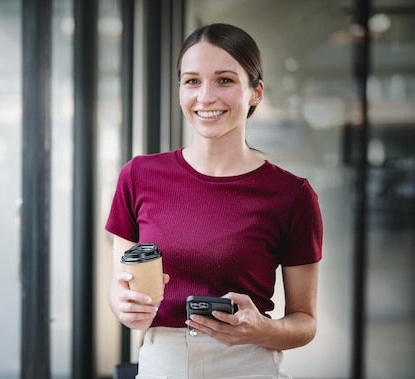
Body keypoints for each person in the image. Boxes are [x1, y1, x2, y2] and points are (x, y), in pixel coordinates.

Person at [106, 22, 323, 378]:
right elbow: (120, 289)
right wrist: (125, 307)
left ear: (255, 92)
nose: (205, 96)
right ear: (180, 90)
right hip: (161, 365)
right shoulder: (138, 176)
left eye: (224, 80)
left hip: (247, 366)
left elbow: (306, 322)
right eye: (192, 81)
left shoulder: (291, 195)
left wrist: (261, 329)